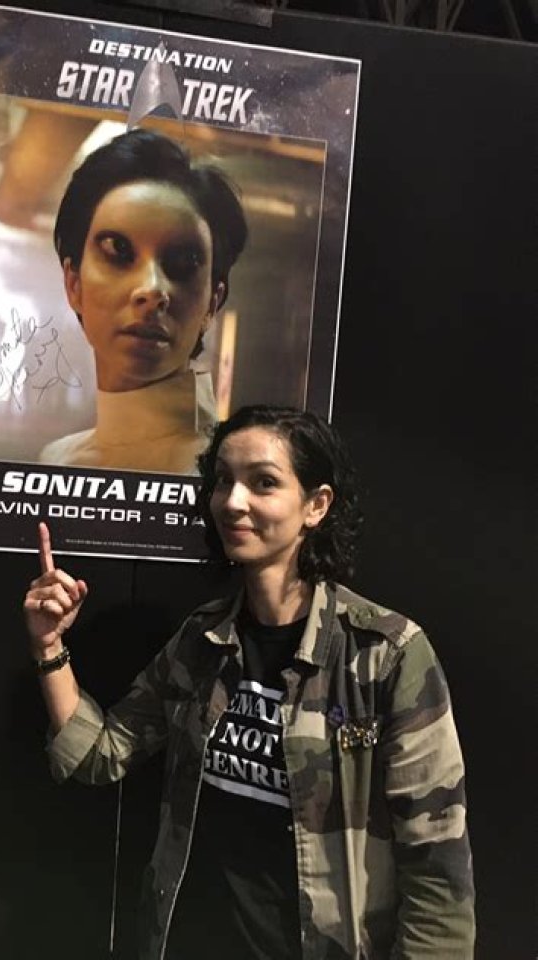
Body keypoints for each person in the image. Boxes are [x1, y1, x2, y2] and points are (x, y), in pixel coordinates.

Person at [24, 404, 475, 959]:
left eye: (263, 482)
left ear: (316, 505)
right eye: (223, 481)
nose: (233, 501)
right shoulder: (202, 641)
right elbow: (100, 754)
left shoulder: (385, 654)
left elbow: (436, 869)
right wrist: (49, 647)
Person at [38, 128, 248, 474]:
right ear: (74, 284)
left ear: (213, 302)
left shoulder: (232, 476)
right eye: (118, 250)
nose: (151, 290)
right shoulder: (56, 460)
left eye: (184, 262)